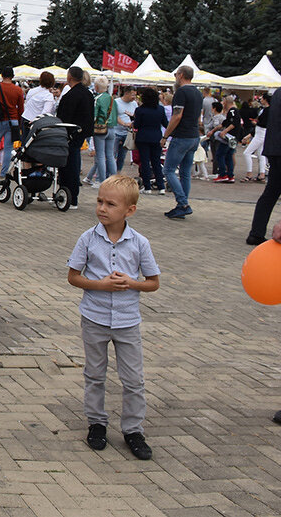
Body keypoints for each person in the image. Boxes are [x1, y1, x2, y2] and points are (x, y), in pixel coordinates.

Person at [67, 174, 160, 462]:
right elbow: (73, 277)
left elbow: (153, 282)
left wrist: (132, 283)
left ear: (129, 210)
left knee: (133, 378)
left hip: (127, 321)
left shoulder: (139, 243)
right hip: (94, 318)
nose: (102, 208)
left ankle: (133, 430)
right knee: (95, 374)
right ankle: (97, 423)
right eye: (99, 201)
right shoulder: (87, 238)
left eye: (110, 204)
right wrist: (101, 285)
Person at [162, 66, 203, 219]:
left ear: (181, 75)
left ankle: (183, 203)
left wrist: (165, 135)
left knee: (169, 170)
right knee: (185, 172)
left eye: (176, 74)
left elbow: (177, 116)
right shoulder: (198, 93)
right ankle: (182, 205)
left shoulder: (181, 92)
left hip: (182, 136)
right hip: (193, 136)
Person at [56, 66, 95, 207]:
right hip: (82, 132)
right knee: (73, 162)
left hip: (70, 133)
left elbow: (63, 117)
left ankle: (69, 197)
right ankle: (70, 196)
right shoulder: (88, 94)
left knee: (69, 166)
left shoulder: (70, 95)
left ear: (69, 77)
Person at [248, 91, 281, 244]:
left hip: (274, 148)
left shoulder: (278, 93)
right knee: (271, 192)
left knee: (271, 192)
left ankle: (256, 232)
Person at [132, 87, 168, 194]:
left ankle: (147, 187)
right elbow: (165, 123)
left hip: (143, 138)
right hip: (156, 137)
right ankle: (161, 186)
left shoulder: (140, 110)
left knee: (145, 162)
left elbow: (136, 125)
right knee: (156, 162)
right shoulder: (160, 109)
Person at [88, 77, 117, 187]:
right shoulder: (112, 99)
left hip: (100, 129)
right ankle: (114, 180)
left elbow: (94, 116)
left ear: (96, 87)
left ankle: (102, 181)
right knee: (110, 155)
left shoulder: (97, 99)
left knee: (100, 156)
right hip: (112, 128)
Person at [242, 93, 269, 182]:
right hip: (260, 133)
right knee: (261, 155)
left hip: (261, 133)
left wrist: (256, 123)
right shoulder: (264, 109)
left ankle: (249, 173)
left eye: (262, 99)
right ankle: (262, 174)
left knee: (247, 152)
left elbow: (264, 123)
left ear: (265, 100)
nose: (260, 100)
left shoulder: (267, 110)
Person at [112, 87, 137, 173]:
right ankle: (110, 174)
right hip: (116, 132)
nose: (134, 97)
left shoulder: (134, 104)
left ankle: (118, 173)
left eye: (135, 95)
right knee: (112, 155)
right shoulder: (116, 102)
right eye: (132, 95)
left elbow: (136, 116)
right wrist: (124, 124)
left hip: (127, 133)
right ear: (126, 93)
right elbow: (115, 116)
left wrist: (132, 120)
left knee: (122, 156)